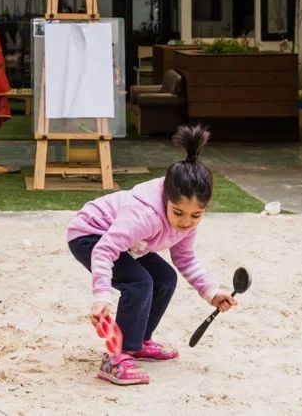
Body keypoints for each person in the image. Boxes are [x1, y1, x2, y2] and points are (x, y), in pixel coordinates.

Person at [66, 124, 238, 386]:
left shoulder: (187, 221)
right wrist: (101, 295)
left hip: (131, 243)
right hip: (90, 235)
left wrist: (212, 292)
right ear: (166, 198)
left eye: (196, 215)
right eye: (178, 213)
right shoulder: (145, 215)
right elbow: (104, 249)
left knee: (165, 278)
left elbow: (185, 259)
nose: (186, 222)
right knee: (138, 282)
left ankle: (137, 342)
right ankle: (115, 357)